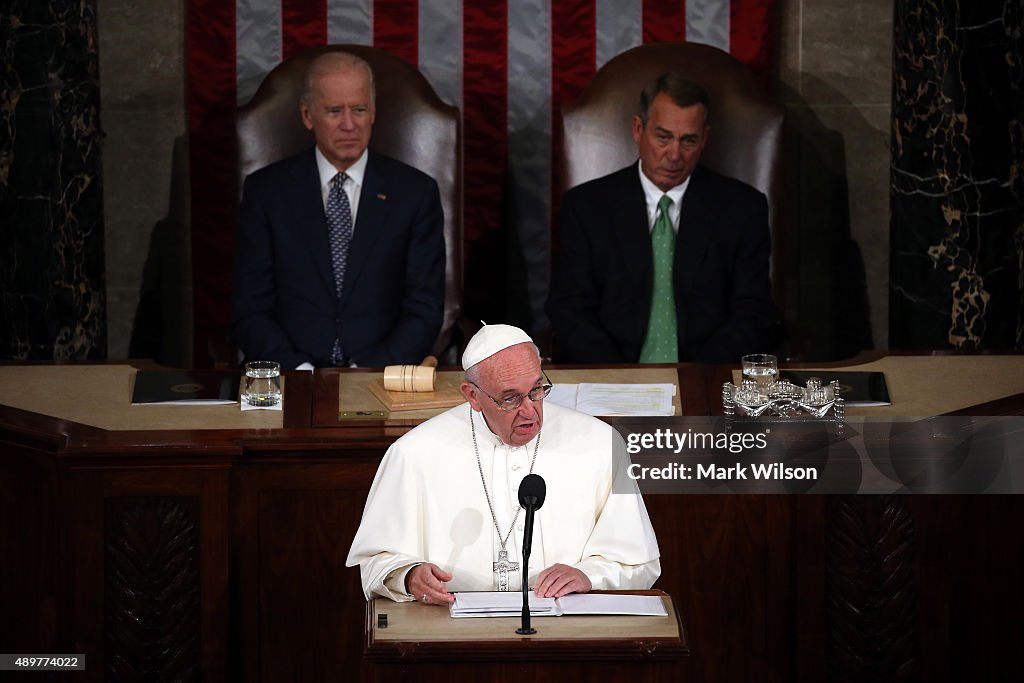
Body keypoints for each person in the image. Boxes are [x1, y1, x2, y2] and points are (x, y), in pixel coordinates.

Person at [346, 324, 660, 603]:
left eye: (537, 390)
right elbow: (375, 563)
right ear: (472, 395)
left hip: (566, 631)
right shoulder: (414, 452)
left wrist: (590, 575)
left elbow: (640, 563)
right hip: (454, 633)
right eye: (510, 399)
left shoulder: (600, 444)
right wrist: (410, 576)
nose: (529, 411)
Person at [231, 51, 446, 369]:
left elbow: (424, 308)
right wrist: (298, 371)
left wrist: (368, 372)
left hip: (380, 378)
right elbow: (250, 307)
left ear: (373, 113)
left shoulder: (415, 193)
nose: (349, 125)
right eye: (334, 111)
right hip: (290, 378)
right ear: (307, 115)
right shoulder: (266, 192)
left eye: (359, 109)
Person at [547, 72, 778, 364]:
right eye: (663, 137)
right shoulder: (586, 207)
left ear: (705, 139)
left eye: (688, 141)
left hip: (707, 375)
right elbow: (570, 308)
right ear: (638, 129)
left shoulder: (742, 208)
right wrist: (618, 380)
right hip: (611, 375)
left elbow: (753, 311)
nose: (674, 154)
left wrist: (699, 375)